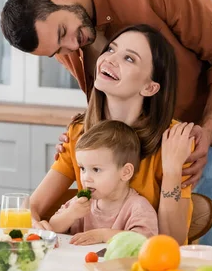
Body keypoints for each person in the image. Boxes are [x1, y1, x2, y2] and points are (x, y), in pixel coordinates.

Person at [0, 0, 212, 244]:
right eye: (57, 50)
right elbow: (104, 98)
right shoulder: (65, 42)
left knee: (211, 266)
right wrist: (84, 134)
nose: (70, 47)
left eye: (64, 33)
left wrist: (204, 132)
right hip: (140, 138)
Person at [30, 25, 195, 246]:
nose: (109, 59)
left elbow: (172, 241)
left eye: (129, 59)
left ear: (150, 88)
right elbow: (33, 207)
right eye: (110, 50)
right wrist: (33, 222)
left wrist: (173, 170)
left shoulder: (173, 140)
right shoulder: (79, 132)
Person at [49, 120, 160, 245]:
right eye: (83, 169)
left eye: (96, 169)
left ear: (125, 172)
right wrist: (71, 214)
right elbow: (52, 228)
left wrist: (103, 235)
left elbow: (145, 242)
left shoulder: (138, 208)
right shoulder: (81, 203)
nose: (86, 178)